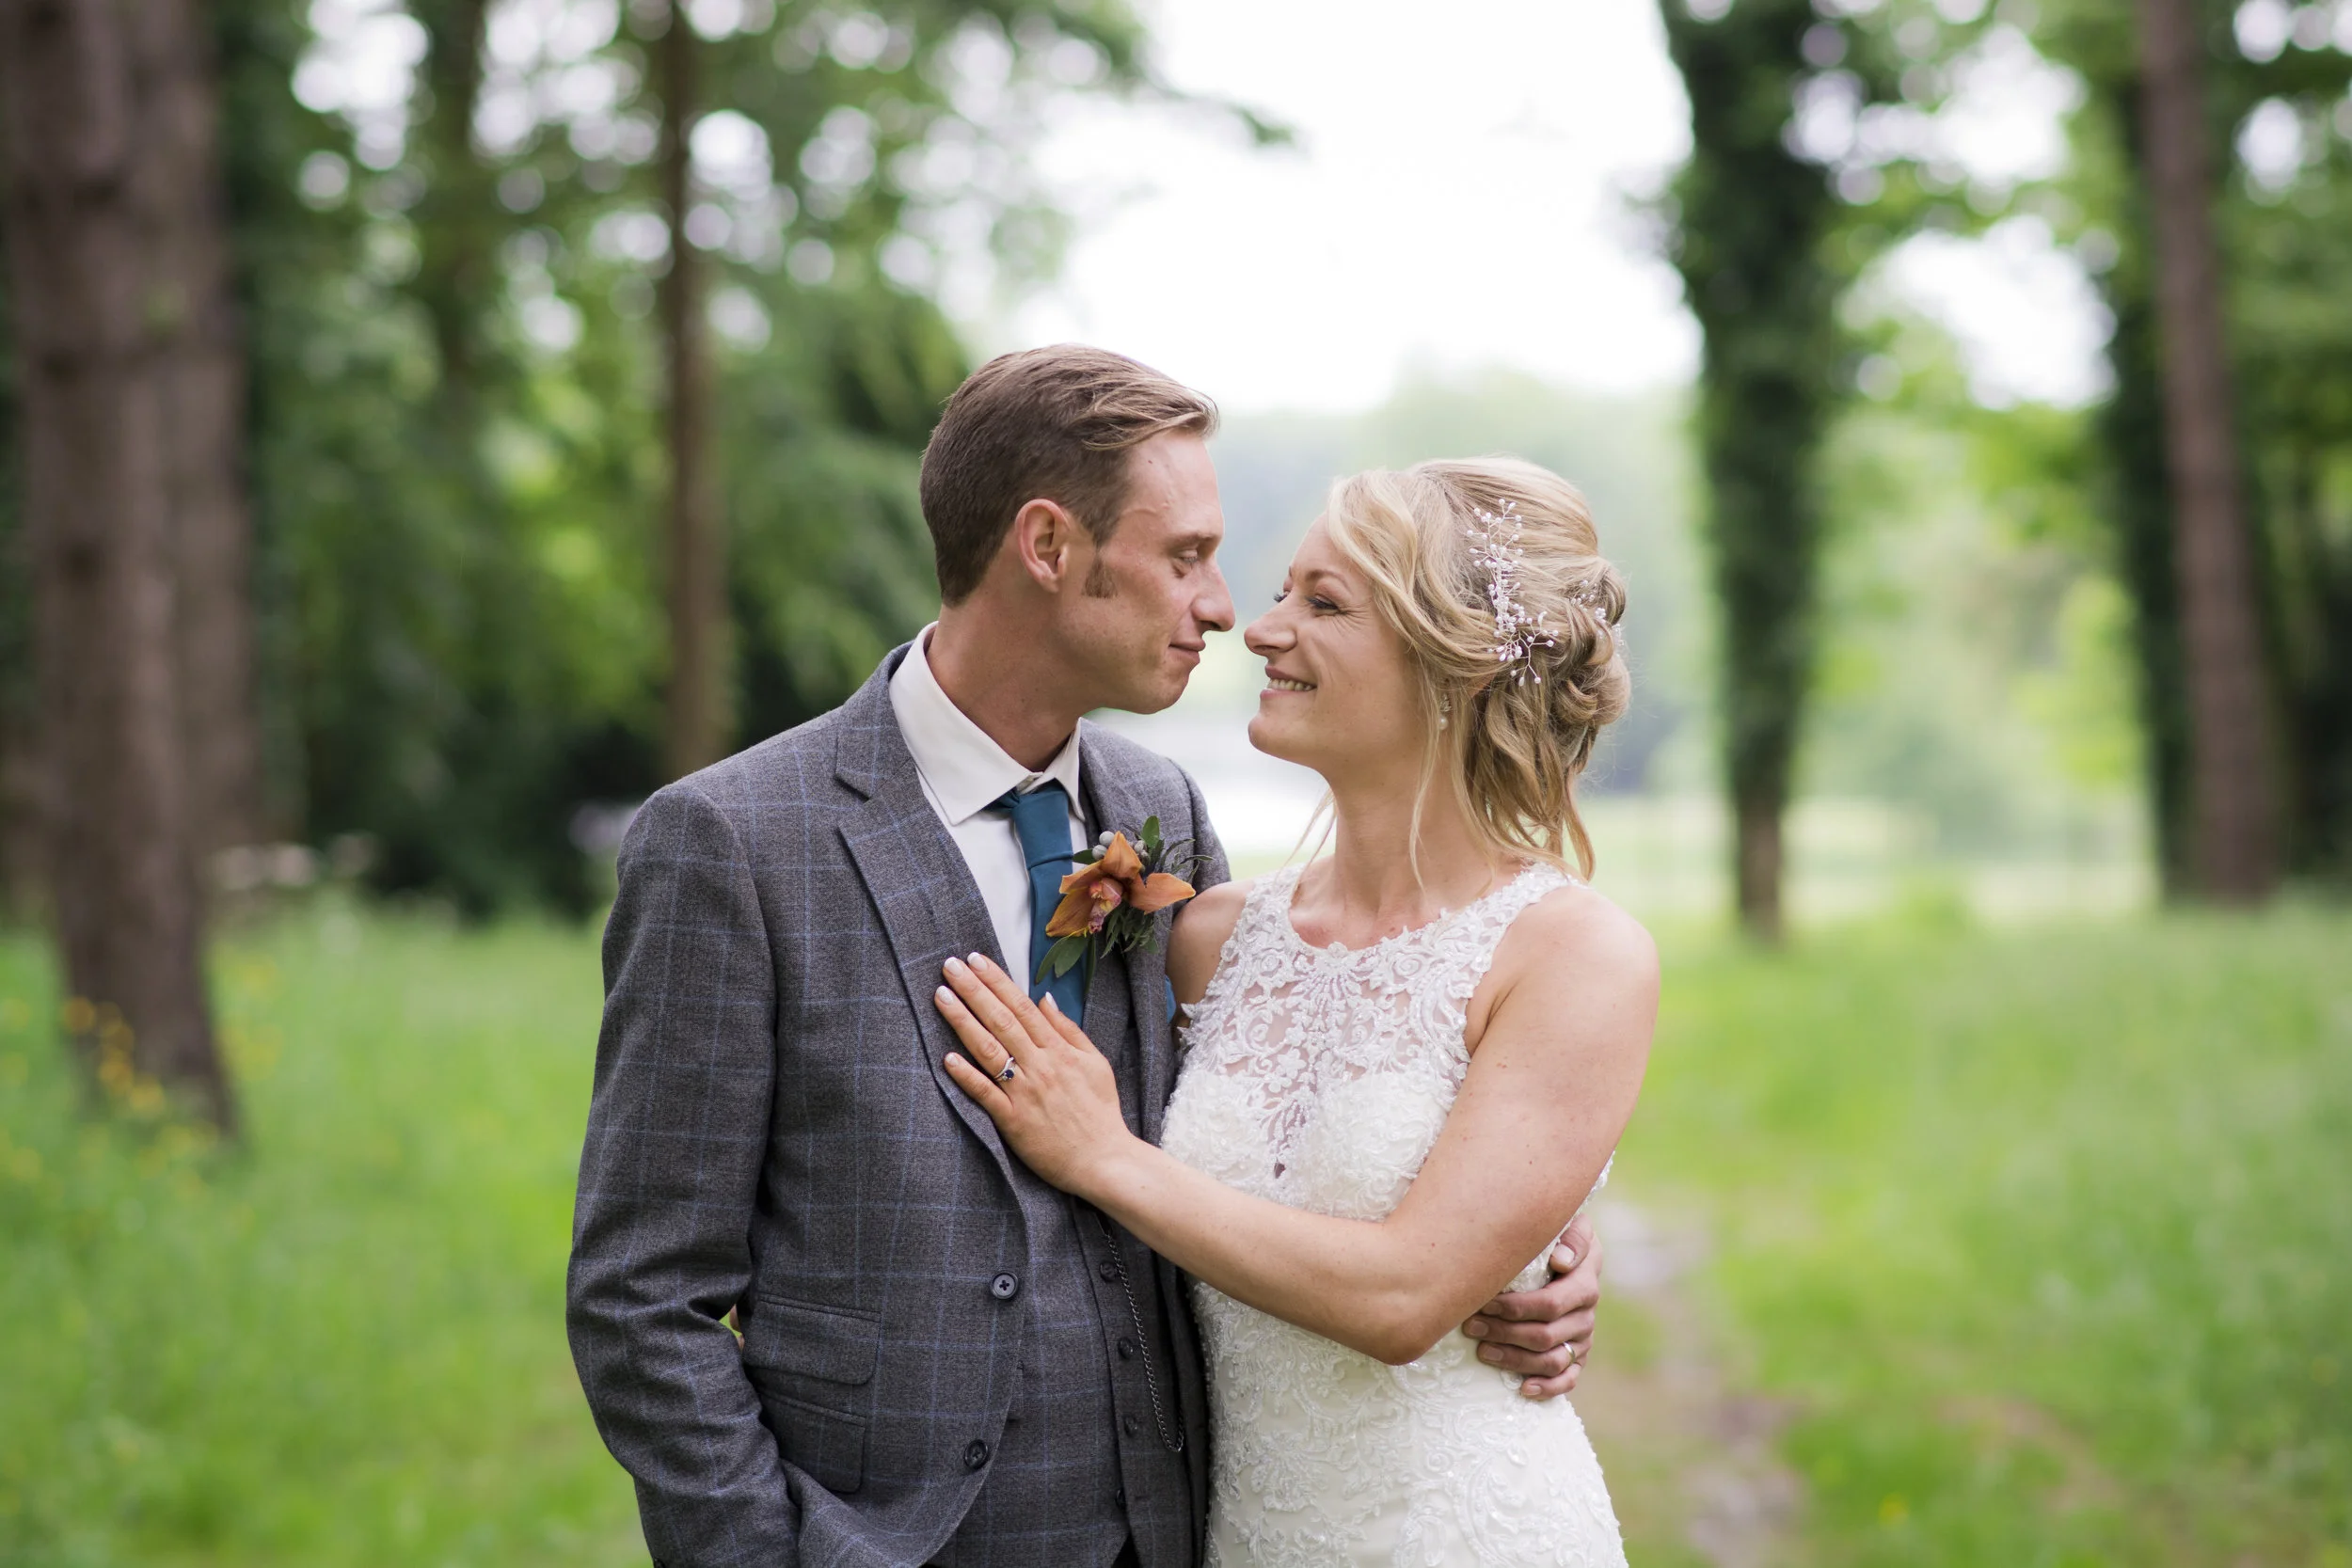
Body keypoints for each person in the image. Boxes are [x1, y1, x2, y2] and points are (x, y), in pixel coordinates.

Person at [565, 347, 1605, 1568]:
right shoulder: (732, 840)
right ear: (1050, 547)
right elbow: (643, 1295)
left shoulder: (1157, 812)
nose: (1223, 607)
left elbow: (1309, 1132)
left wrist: (1530, 1255)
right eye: (1185, 557)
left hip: (1179, 1529)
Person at [931, 456, 1656, 1565]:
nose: (1258, 629)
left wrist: (1106, 1154)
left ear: (1449, 661)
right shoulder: (1208, 936)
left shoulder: (1575, 955)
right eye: (1281, 592)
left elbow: (1410, 1292)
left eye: (1322, 603)